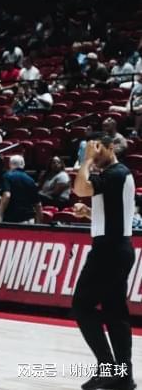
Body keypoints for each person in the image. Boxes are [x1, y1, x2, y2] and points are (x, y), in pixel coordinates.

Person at [72, 134, 137, 390]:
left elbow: (80, 189)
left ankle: (108, 367)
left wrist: (86, 161)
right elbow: (114, 216)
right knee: (115, 313)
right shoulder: (116, 175)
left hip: (109, 251)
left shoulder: (116, 173)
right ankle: (122, 376)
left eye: (98, 149)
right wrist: (90, 213)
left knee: (81, 306)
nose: (94, 154)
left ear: (111, 148)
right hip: (117, 248)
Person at [0, 155, 43, 223]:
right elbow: (38, 205)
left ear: (10, 164)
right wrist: (39, 224)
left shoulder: (7, 176)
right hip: (28, 220)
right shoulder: (31, 180)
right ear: (23, 165)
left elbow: (7, 195)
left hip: (12, 220)